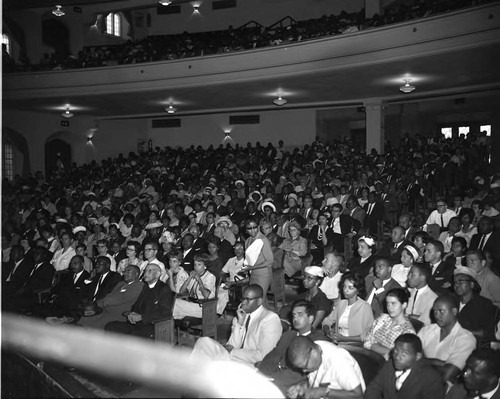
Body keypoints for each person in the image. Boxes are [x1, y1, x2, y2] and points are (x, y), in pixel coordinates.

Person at [191, 284, 282, 366]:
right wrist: (240, 323)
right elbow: (231, 345)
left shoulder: (269, 319)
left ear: (259, 301)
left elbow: (264, 355)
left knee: (211, 361)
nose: (243, 303)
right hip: (233, 357)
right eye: (243, 299)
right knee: (204, 341)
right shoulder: (240, 316)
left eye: (248, 300)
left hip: (250, 364)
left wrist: (233, 351)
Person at [257, 300, 330, 393]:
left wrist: (274, 379)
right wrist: (261, 373)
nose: (295, 319)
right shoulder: (289, 335)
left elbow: (303, 372)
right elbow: (274, 355)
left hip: (294, 384)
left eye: (300, 315)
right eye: (294, 315)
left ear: (311, 319)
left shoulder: (317, 341)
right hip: (275, 378)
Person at [417, 295, 476, 384]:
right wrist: (440, 363)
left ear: (454, 312)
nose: (437, 315)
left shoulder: (465, 339)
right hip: (416, 381)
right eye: (435, 311)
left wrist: (422, 361)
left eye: (441, 311)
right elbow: (410, 356)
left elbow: (447, 375)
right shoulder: (426, 330)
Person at [365, 334, 445, 399]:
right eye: (395, 351)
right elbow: (373, 390)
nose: (397, 357)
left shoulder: (430, 378)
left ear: (417, 356)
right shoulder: (389, 365)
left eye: (404, 354)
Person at [105, 263, 173, 338]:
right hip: (139, 323)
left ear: (157, 274)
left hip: (152, 325)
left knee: (133, 335)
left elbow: (165, 312)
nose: (146, 273)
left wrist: (141, 317)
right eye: (145, 271)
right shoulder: (146, 286)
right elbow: (137, 305)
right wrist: (131, 314)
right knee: (111, 326)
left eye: (149, 271)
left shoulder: (164, 289)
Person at [286, 336, 365, 399]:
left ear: (314, 353)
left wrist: (324, 392)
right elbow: (317, 380)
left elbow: (358, 394)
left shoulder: (339, 361)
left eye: (305, 366)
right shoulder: (314, 350)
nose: (304, 371)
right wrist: (302, 387)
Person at [78, 264, 144, 329]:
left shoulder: (139, 286)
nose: (125, 273)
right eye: (124, 271)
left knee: (89, 325)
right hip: (105, 311)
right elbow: (109, 295)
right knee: (83, 319)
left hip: (118, 315)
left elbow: (119, 299)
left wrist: (96, 304)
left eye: (128, 271)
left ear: (136, 274)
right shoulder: (121, 283)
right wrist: (94, 304)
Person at [322, 272, 374, 344]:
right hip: (338, 343)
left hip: (356, 346)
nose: (345, 290)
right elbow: (327, 320)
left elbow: (368, 334)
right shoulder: (342, 303)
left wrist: (344, 339)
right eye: (344, 286)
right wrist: (327, 330)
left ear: (358, 290)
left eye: (350, 288)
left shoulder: (365, 307)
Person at [363, 288, 415, 359]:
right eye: (388, 303)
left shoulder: (407, 331)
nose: (389, 307)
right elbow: (366, 342)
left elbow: (397, 356)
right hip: (368, 359)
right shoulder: (382, 319)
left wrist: (374, 346)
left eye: (393, 304)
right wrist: (387, 351)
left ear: (404, 305)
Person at [453, 266, 497, 347]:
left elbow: (487, 333)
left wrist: (460, 331)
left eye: (461, 281)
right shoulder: (451, 302)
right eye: (455, 282)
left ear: (472, 284)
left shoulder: (484, 304)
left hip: (474, 347)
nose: (457, 285)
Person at [172, 253, 216, 319]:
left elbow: (206, 295)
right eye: (195, 265)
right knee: (172, 304)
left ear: (205, 266)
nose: (196, 267)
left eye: (199, 265)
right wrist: (189, 278)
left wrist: (199, 280)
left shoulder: (210, 277)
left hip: (203, 307)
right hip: (192, 303)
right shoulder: (193, 274)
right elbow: (181, 291)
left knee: (174, 304)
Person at [243, 217, 274, 303]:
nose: (253, 230)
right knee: (255, 299)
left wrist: (251, 268)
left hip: (263, 274)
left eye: (255, 227)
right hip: (253, 274)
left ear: (258, 227)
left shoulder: (263, 240)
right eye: (249, 228)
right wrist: (247, 269)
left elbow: (270, 261)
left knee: (259, 300)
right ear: (246, 230)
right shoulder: (248, 241)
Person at [405, 263, 438, 328]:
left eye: (412, 275)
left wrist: (408, 316)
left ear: (422, 277)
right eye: (409, 274)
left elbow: (426, 322)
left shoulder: (432, 298)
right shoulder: (408, 292)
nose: (408, 277)